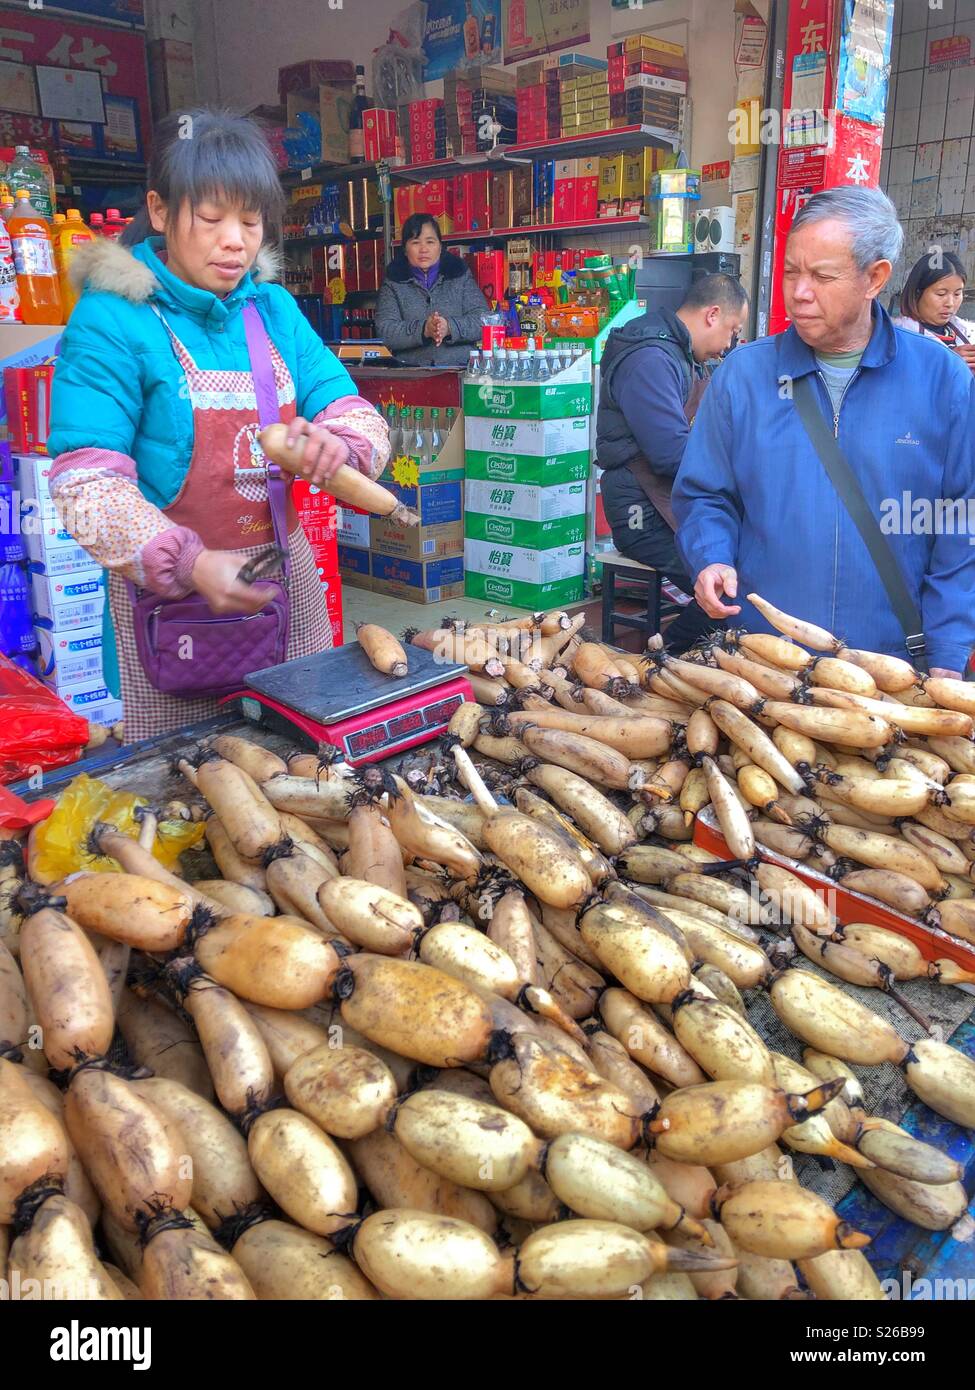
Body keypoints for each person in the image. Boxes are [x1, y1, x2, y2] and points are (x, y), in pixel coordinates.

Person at [48, 109, 389, 743]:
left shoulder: (273, 310)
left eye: (251, 221)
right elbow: (85, 486)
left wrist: (337, 446)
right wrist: (190, 564)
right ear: (159, 209)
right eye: (211, 219)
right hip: (171, 617)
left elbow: (350, 408)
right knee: (189, 796)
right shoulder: (111, 322)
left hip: (289, 598)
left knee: (300, 774)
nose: (235, 240)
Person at [673, 186, 975, 679]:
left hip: (891, 670)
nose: (798, 291)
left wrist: (945, 656)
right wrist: (710, 557)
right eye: (791, 271)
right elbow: (705, 494)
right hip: (764, 666)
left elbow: (961, 531)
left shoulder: (942, 381)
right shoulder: (744, 376)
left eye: (822, 275)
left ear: (874, 278)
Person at [595, 273, 749, 651]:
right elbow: (670, 454)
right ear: (712, 314)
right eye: (732, 331)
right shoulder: (650, 359)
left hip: (672, 500)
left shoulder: (683, 356)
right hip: (641, 513)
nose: (728, 345)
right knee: (731, 588)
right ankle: (667, 660)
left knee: (752, 563)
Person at [375, 214, 489, 366]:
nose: (423, 249)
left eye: (430, 242)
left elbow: (484, 321)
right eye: (415, 242)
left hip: (460, 369)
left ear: (440, 246)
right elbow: (385, 331)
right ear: (405, 249)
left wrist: (450, 327)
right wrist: (424, 329)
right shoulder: (394, 280)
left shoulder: (459, 274)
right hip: (410, 372)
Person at [893, 249, 975, 374]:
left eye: (957, 294)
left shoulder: (968, 332)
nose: (950, 303)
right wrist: (946, 362)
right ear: (917, 293)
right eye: (941, 294)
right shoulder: (897, 338)